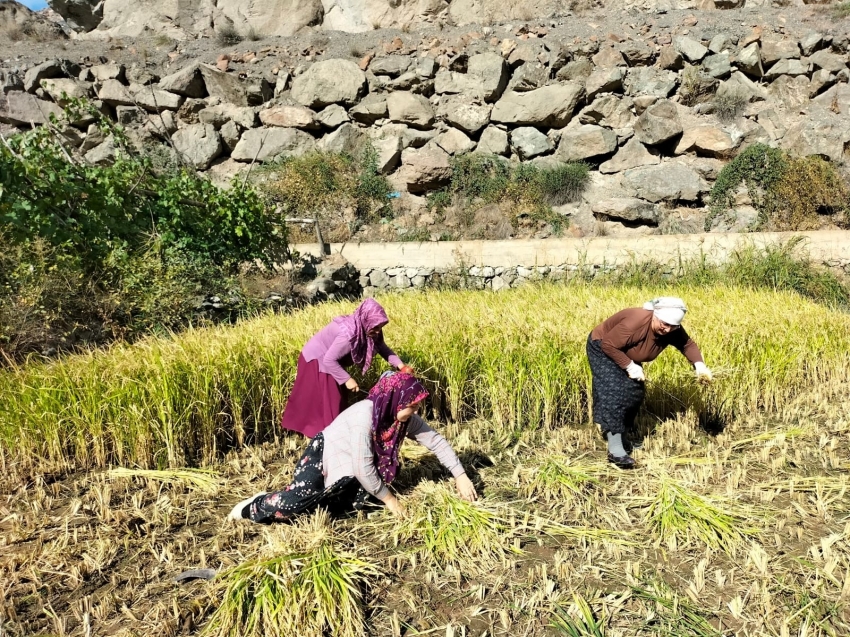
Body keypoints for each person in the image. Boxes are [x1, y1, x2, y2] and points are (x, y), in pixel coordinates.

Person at [229, 372, 477, 523]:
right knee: (297, 504)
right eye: (412, 406)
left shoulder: (402, 418)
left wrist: (461, 476)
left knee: (339, 508)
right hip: (323, 454)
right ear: (394, 400)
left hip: (353, 464)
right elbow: (363, 466)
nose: (416, 411)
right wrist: (391, 502)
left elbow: (435, 441)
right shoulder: (365, 417)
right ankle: (252, 507)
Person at [586, 297, 713, 469]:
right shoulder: (636, 322)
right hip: (603, 347)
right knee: (615, 392)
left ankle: (624, 438)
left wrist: (699, 365)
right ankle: (615, 450)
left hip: (624, 350)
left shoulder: (672, 328)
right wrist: (630, 366)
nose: (667, 329)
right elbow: (609, 345)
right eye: (664, 324)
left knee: (634, 393)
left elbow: (687, 345)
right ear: (656, 315)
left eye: (672, 326)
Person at [281, 298, 411, 439]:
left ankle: (331, 434)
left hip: (331, 360)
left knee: (339, 399)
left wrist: (401, 365)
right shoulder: (349, 335)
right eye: (376, 327)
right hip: (317, 359)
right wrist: (347, 379)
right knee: (329, 400)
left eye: (380, 327)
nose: (378, 331)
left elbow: (382, 348)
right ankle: (326, 437)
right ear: (365, 319)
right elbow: (329, 359)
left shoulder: (371, 329)